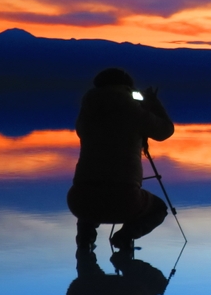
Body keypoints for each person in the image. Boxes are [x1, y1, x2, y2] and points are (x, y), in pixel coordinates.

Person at [67, 68, 174, 251]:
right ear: (126, 88)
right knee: (159, 209)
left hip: (79, 200)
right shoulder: (133, 110)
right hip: (124, 199)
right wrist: (153, 104)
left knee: (91, 192)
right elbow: (165, 130)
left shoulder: (88, 110)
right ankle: (124, 238)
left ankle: (84, 245)